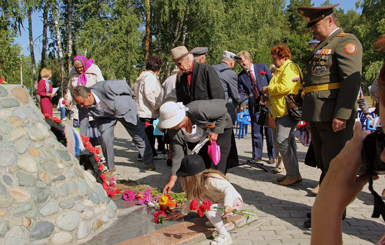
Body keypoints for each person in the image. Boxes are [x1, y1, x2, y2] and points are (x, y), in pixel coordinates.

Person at [297, 4, 362, 228]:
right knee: (326, 165)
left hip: (333, 115)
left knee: (334, 167)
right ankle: (327, 209)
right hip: (318, 113)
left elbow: (351, 80)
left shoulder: (345, 42)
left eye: (315, 25)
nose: (312, 30)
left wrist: (342, 114)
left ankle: (329, 214)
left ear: (330, 21)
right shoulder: (325, 44)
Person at [72, 80, 156, 172]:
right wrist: (80, 143)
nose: (81, 106)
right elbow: (83, 126)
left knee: (138, 135)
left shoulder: (106, 87)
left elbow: (125, 86)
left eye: (82, 102)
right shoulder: (82, 106)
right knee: (105, 138)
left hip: (124, 110)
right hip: (105, 118)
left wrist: (127, 99)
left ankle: (149, 161)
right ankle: (110, 167)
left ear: (89, 95)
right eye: (79, 104)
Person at [158, 100, 239, 194]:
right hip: (204, 136)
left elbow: (223, 112)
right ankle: (203, 188)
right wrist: (172, 181)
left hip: (221, 125)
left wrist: (216, 131)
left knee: (216, 162)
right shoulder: (173, 132)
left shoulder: (198, 110)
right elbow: (178, 157)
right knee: (201, 162)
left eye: (170, 124)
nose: (170, 127)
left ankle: (219, 191)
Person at [172, 154, 243, 245]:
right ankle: (220, 220)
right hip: (220, 203)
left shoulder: (211, 179)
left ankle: (225, 236)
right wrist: (183, 212)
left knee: (208, 210)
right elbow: (191, 198)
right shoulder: (197, 184)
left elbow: (228, 189)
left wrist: (228, 205)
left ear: (191, 177)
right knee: (200, 199)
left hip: (233, 203)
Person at [261, 46, 302, 186]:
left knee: (282, 141)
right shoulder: (282, 69)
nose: (273, 61)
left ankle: (292, 175)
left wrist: (268, 89)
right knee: (288, 142)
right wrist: (268, 98)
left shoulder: (289, 68)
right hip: (280, 110)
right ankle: (293, 174)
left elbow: (285, 87)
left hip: (287, 111)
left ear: (284, 57)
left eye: (275, 58)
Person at [237, 50, 276, 164]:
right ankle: (257, 155)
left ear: (249, 60)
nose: (242, 65)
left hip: (267, 104)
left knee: (269, 130)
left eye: (243, 63)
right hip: (254, 105)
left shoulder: (262, 67)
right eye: (240, 64)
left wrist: (267, 96)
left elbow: (272, 82)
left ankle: (272, 155)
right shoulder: (241, 76)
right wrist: (237, 101)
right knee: (256, 130)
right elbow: (241, 92)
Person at [65, 56, 104, 146]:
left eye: (81, 67)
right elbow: (70, 89)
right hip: (79, 107)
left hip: (92, 105)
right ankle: (83, 152)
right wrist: (68, 99)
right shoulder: (73, 73)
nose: (79, 69)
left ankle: (95, 153)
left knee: (95, 136)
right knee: (81, 133)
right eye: (77, 68)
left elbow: (102, 85)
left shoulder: (94, 70)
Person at [135, 56, 163, 161]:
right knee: (148, 134)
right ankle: (145, 155)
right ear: (158, 68)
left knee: (148, 134)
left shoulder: (146, 77)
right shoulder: (150, 78)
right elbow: (150, 94)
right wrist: (157, 105)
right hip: (147, 111)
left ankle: (150, 153)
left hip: (145, 111)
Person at [268, 64, 284, 173]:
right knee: (276, 141)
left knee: (282, 141)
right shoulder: (272, 83)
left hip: (282, 114)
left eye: (275, 71)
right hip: (272, 114)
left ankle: (283, 165)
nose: (273, 74)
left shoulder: (280, 84)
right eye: (272, 72)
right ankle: (279, 164)